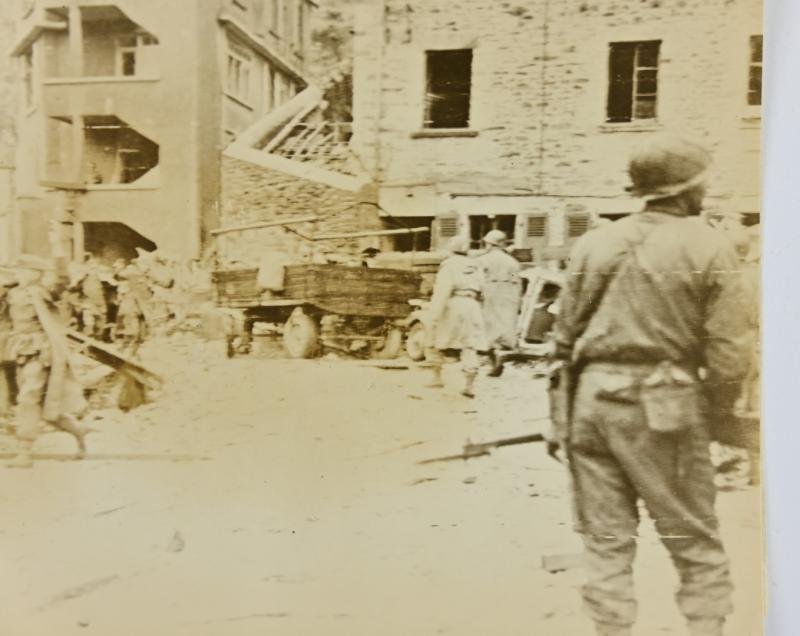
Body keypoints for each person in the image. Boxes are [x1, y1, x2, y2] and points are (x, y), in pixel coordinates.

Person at [548, 135, 750, 636]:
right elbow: (730, 355)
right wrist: (718, 417)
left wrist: (560, 420)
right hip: (664, 404)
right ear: (688, 190)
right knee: (693, 538)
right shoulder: (709, 244)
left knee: (605, 539)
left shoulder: (594, 243)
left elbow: (563, 340)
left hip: (589, 404)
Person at [5, 255, 92, 468]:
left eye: (21, 271)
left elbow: (57, 299)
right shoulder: (14, 293)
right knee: (46, 409)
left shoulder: (39, 292)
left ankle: (24, 452)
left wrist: (61, 262)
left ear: (33, 274)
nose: (17, 274)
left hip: (40, 350)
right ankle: (78, 431)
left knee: (28, 397)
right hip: (20, 349)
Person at [425, 236, 487, 398]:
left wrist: (434, 314)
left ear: (451, 249)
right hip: (472, 305)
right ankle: (469, 385)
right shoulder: (476, 265)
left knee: (435, 337)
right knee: (470, 344)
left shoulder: (449, 265)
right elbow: (483, 288)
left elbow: (443, 291)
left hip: (452, 305)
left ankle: (436, 377)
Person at [477, 229, 522, 376]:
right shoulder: (513, 261)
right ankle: (499, 358)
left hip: (491, 293)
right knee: (505, 327)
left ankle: (493, 359)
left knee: (488, 328)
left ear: (490, 244)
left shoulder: (483, 260)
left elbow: (478, 280)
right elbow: (519, 284)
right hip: (509, 294)